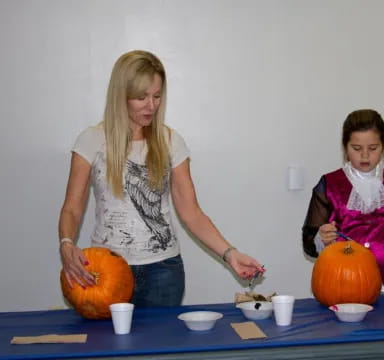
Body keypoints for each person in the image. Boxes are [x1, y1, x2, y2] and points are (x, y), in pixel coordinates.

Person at [58, 50, 264, 307]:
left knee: (161, 346)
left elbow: (191, 213)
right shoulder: (91, 141)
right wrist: (67, 243)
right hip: (105, 271)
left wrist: (230, 254)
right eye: (141, 97)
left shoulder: (170, 142)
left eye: (157, 96)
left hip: (163, 273)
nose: (151, 105)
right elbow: (72, 207)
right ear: (120, 95)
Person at [302, 109, 384, 294]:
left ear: (383, 146)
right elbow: (308, 240)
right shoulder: (329, 185)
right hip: (343, 284)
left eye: (373, 148)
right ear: (345, 147)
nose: (365, 156)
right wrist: (322, 238)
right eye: (357, 149)